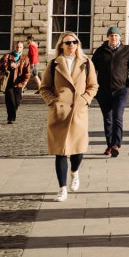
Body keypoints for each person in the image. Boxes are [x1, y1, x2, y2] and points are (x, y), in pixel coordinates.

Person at [39, 31, 98, 202]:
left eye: (74, 42)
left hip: (78, 112)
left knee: (78, 152)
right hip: (59, 113)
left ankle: (75, 171)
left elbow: (93, 86)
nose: (71, 45)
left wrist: (85, 100)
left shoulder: (87, 63)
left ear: (78, 44)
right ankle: (62, 188)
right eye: (67, 43)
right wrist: (52, 102)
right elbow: (44, 88)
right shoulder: (54, 64)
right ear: (61, 46)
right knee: (61, 152)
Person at [92, 26, 129, 157]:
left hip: (121, 91)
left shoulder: (126, 51)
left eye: (116, 36)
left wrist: (128, 87)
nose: (114, 38)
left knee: (117, 116)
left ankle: (116, 145)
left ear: (120, 37)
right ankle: (109, 145)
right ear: (108, 37)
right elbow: (91, 70)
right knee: (108, 119)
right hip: (104, 92)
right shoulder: (100, 51)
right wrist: (95, 87)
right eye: (111, 35)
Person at [0, 41, 30, 123]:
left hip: (19, 83)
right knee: (10, 101)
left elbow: (27, 71)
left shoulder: (25, 58)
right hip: (8, 82)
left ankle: (12, 114)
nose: (18, 48)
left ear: (22, 48)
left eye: (20, 47)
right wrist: (7, 65)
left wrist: (25, 81)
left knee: (17, 101)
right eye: (17, 47)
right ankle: (10, 118)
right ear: (14, 47)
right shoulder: (8, 56)